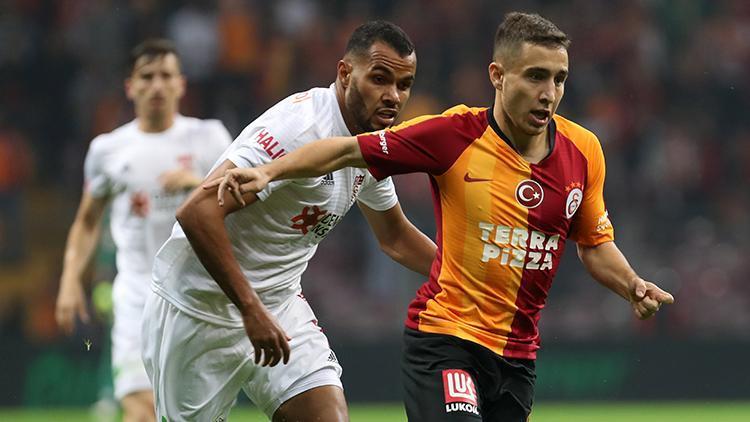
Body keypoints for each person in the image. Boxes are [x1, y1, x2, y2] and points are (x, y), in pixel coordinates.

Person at [207, 12, 676, 422]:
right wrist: (268, 171)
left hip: (517, 356)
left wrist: (631, 284)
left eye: (559, 79)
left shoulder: (584, 150)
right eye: (535, 76)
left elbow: (594, 244)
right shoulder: (454, 134)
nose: (548, 93)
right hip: (445, 339)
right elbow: (344, 150)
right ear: (498, 75)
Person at [141, 21, 435, 422]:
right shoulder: (298, 128)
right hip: (198, 310)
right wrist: (250, 308)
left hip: (279, 306)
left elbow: (396, 236)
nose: (393, 97)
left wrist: (471, 278)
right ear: (345, 74)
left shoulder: (369, 146)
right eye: (380, 79)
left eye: (404, 85)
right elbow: (198, 211)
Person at [55, 39, 232, 422]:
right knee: (139, 411)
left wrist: (197, 183)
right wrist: (70, 278)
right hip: (137, 294)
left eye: (166, 75)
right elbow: (87, 221)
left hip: (199, 294)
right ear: (130, 87)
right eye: (147, 77)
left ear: (181, 84)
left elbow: (245, 199)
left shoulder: (210, 138)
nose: (156, 85)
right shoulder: (108, 149)